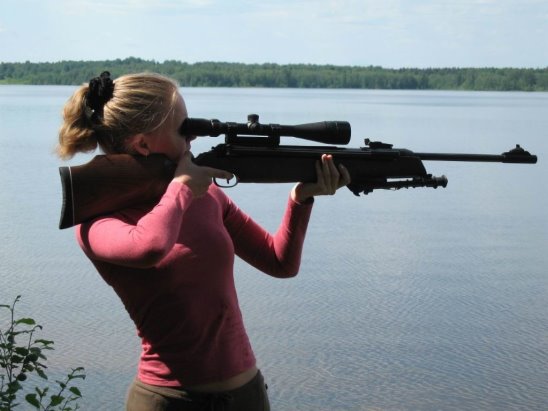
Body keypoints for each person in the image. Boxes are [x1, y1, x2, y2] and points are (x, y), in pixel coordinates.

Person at [57, 71, 351, 411]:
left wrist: (301, 198)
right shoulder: (97, 222)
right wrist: (181, 188)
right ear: (143, 144)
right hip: (168, 402)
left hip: (247, 397)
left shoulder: (207, 196)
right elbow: (151, 246)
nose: (194, 134)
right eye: (183, 128)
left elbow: (279, 262)